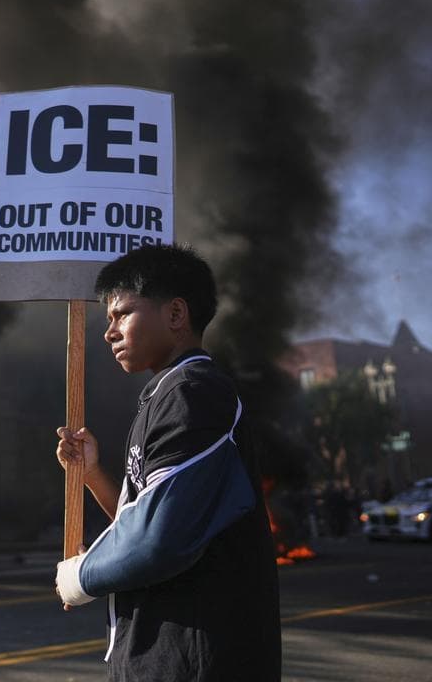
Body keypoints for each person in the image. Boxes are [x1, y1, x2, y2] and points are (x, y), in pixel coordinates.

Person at [53, 243, 281, 681]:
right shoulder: (167, 394)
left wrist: (81, 577)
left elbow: (160, 540)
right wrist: (92, 474)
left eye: (122, 314)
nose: (109, 332)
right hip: (167, 653)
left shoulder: (192, 392)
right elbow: (146, 518)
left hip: (194, 658)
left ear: (176, 314)